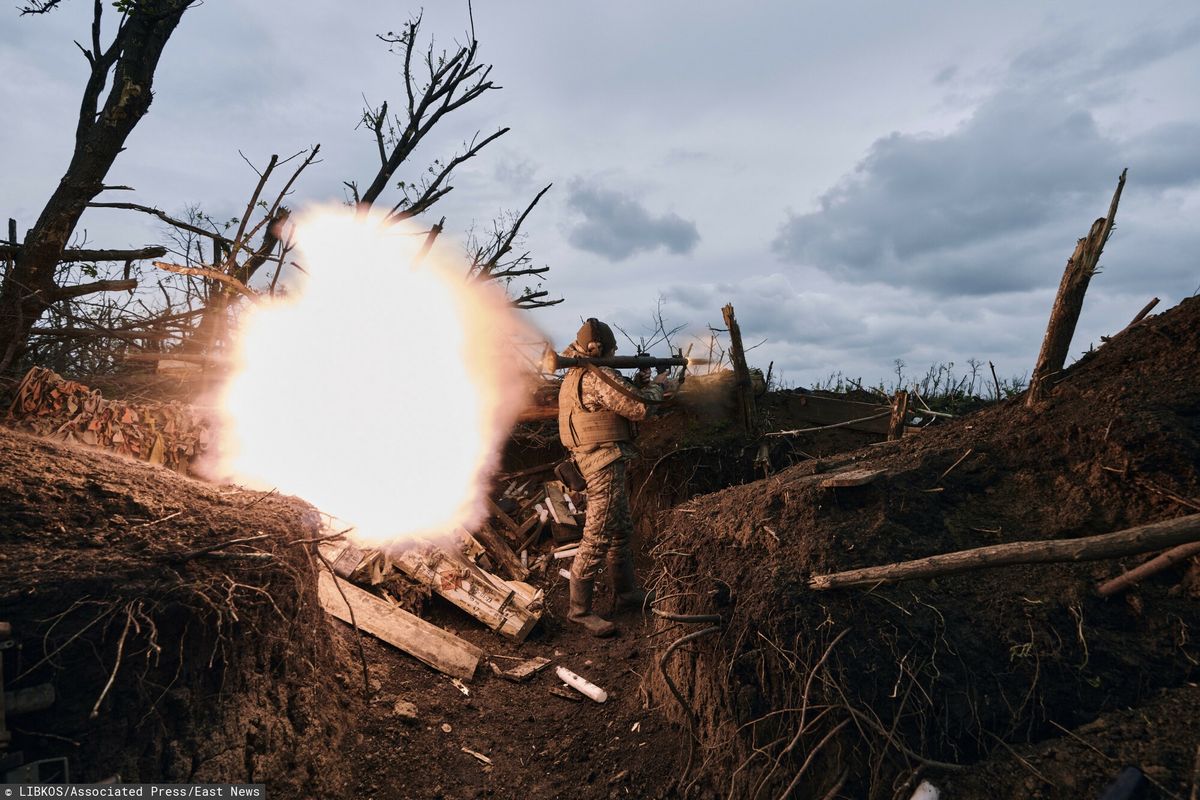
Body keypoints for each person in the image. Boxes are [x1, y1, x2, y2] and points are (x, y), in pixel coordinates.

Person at [558, 318, 674, 636]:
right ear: (606, 349)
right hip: (602, 462)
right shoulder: (597, 374)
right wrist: (659, 386)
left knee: (621, 529)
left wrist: (637, 378)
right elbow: (639, 407)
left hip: (596, 458)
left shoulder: (577, 372)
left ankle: (626, 593)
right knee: (597, 535)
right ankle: (579, 611)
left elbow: (615, 395)